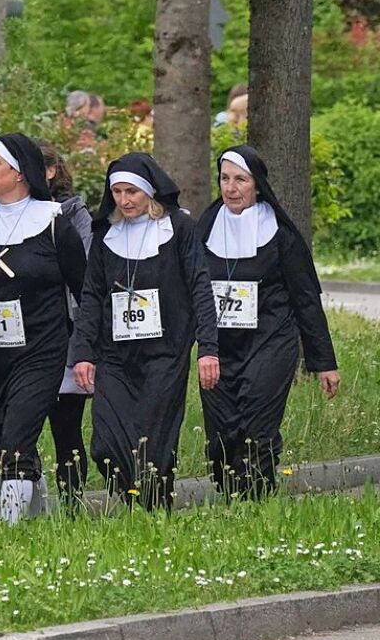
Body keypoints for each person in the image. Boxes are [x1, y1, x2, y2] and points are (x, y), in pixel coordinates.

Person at [70, 153, 219, 510]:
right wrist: (83, 353)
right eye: (117, 192)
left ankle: (155, 509)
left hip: (165, 353)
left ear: (149, 192)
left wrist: (209, 347)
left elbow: (200, 286)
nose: (125, 200)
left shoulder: (179, 229)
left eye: (132, 192)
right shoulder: (105, 233)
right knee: (105, 443)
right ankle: (136, 498)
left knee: (155, 440)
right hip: (115, 354)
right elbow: (91, 296)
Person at [196, 145, 339, 499]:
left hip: (270, 341)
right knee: (221, 433)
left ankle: (256, 499)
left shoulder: (281, 235)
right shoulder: (205, 228)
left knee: (257, 427)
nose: (231, 188)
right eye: (225, 179)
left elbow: (306, 300)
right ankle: (231, 495)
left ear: (257, 185)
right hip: (219, 346)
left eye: (240, 180)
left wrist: (324, 363)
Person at [0, 134, 86, 523]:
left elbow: (85, 291)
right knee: (2, 434)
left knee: (17, 437)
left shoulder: (54, 223)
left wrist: (86, 349)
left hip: (42, 348)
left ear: (19, 174)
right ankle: (34, 515)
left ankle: (8, 528)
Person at [37, 139, 94, 508]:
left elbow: (86, 274)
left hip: (65, 330)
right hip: (22, 334)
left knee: (66, 427)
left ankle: (72, 503)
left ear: (51, 172)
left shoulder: (74, 215)